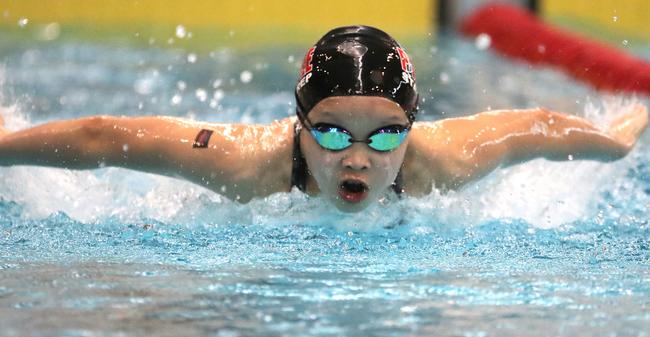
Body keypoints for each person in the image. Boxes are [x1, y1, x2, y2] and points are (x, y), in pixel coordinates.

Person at [0, 25, 647, 213]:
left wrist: (620, 138)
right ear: (301, 126)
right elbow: (106, 138)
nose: (358, 157)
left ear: (412, 127)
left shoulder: (439, 159)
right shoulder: (247, 161)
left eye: (387, 133)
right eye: (333, 132)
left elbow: (537, 126)